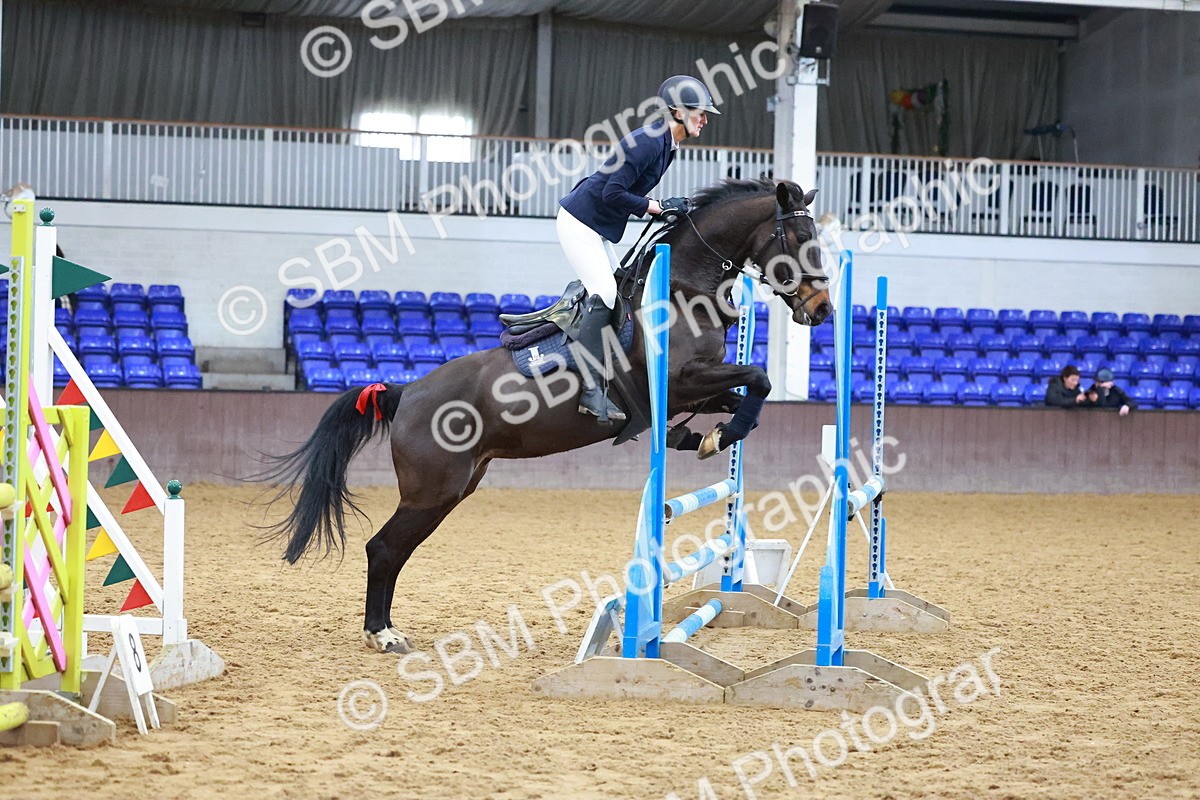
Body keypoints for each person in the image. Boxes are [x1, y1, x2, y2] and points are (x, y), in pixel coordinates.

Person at [556, 75, 719, 423]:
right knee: (605, 293)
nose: (705, 119)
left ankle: (613, 375)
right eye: (700, 113)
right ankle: (588, 389)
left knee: (623, 293)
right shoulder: (647, 142)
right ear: (677, 112)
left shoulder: (666, 146)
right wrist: (656, 206)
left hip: (596, 226)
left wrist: (670, 207)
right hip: (579, 222)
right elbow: (611, 193)